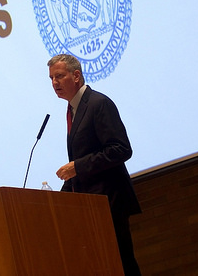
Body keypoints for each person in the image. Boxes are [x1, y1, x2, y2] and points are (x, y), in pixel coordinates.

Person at [48, 53, 141, 275]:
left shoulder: (98, 104)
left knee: (122, 265)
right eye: (51, 78)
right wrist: (56, 199)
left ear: (76, 76)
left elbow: (121, 149)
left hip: (109, 203)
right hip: (90, 206)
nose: (54, 83)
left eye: (59, 76)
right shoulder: (72, 109)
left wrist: (77, 167)